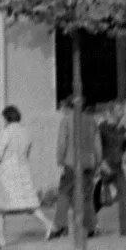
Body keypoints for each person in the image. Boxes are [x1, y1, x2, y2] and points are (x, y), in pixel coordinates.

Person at [0, 104, 55, 250]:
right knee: (29, 203)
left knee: (1, 207)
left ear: (7, 118)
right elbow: (27, 152)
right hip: (23, 170)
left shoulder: (6, 132)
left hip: (8, 172)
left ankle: (1, 238)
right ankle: (48, 224)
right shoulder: (25, 132)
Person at [49, 97, 99, 239]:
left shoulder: (66, 120)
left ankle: (60, 226)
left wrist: (60, 159)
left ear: (70, 107)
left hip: (72, 163)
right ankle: (91, 227)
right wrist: (98, 161)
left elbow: (62, 143)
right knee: (87, 196)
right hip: (89, 162)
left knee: (64, 193)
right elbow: (97, 143)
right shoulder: (91, 120)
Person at [94, 105, 126, 237]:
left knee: (125, 194)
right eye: (118, 110)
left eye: (122, 110)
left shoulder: (122, 129)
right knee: (97, 198)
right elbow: (97, 146)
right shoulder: (102, 128)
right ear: (110, 112)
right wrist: (100, 163)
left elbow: (125, 147)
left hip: (117, 166)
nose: (121, 112)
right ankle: (91, 226)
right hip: (104, 165)